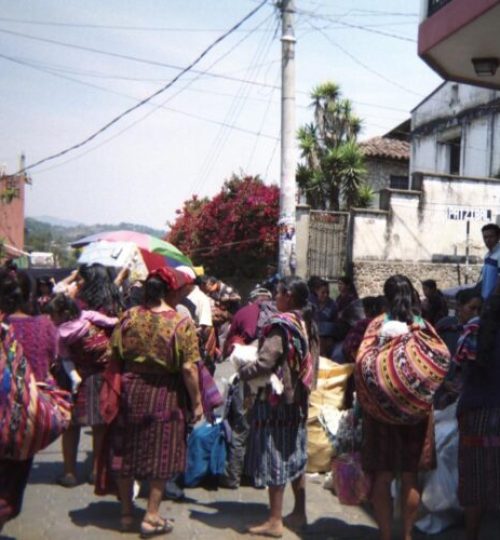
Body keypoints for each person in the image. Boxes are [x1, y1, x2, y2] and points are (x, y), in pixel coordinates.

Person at [106, 267, 203, 535]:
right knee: (162, 450)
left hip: (130, 389)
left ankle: (126, 513)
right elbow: (188, 368)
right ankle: (151, 515)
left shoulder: (127, 317)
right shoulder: (180, 323)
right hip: (164, 393)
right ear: (170, 291)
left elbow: (113, 352)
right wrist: (196, 402)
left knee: (126, 450)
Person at [357, 275, 443, 540]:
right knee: (410, 477)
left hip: (379, 414)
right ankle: (406, 536)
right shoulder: (423, 327)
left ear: (385, 296)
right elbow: (439, 364)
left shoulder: (377, 325)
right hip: (415, 415)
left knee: (382, 476)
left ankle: (385, 535)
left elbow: (362, 364)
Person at [238, 276, 315, 538]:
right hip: (298, 399)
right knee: (296, 455)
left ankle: (274, 521)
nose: (275, 297)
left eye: (279, 293)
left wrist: (242, 372)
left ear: (289, 296)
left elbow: (265, 362)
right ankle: (300, 513)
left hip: (277, 400)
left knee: (275, 456)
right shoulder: (306, 322)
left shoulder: (280, 326)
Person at [48, 294, 118, 487]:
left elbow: (65, 359)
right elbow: (113, 322)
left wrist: (74, 378)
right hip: (100, 374)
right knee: (99, 426)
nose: (51, 319)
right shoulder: (89, 316)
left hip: (73, 378)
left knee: (71, 426)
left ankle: (69, 473)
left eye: (53, 315)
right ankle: (96, 471)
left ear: (64, 313)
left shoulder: (60, 334)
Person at [455, 283, 500, 540]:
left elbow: (460, 365)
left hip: (475, 413)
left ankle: (471, 535)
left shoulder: (473, 331)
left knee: (474, 480)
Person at [311, 279, 338, 357]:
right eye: (323, 293)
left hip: (327, 337)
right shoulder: (311, 303)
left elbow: (335, 323)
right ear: (316, 291)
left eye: (327, 293)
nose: (325, 295)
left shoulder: (333, 305)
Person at [478, 222, 500, 300]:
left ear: (498, 237)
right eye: (485, 237)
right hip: (485, 299)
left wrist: (493, 300)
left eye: (491, 236)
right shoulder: (487, 255)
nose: (488, 240)